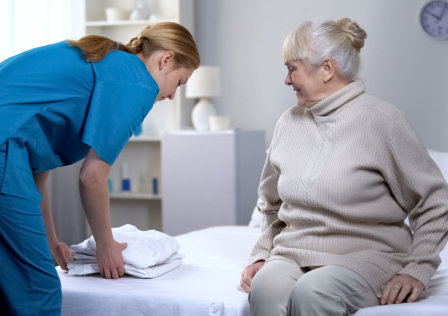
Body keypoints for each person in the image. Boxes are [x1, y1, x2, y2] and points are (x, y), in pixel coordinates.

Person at [240, 18, 448, 316]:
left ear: (326, 69)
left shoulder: (383, 121)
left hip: (367, 256)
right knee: (265, 290)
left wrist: (417, 269)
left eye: (292, 69)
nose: (287, 80)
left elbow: (436, 202)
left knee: (312, 292)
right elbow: (271, 203)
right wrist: (262, 254)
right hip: (292, 253)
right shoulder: (288, 122)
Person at [0, 22, 200, 315]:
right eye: (179, 83)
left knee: (11, 284)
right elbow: (92, 177)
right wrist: (106, 245)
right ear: (166, 59)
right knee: (39, 291)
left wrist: (51, 241)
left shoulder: (109, 61)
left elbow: (35, 168)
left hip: (9, 150)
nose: (172, 96)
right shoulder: (137, 81)